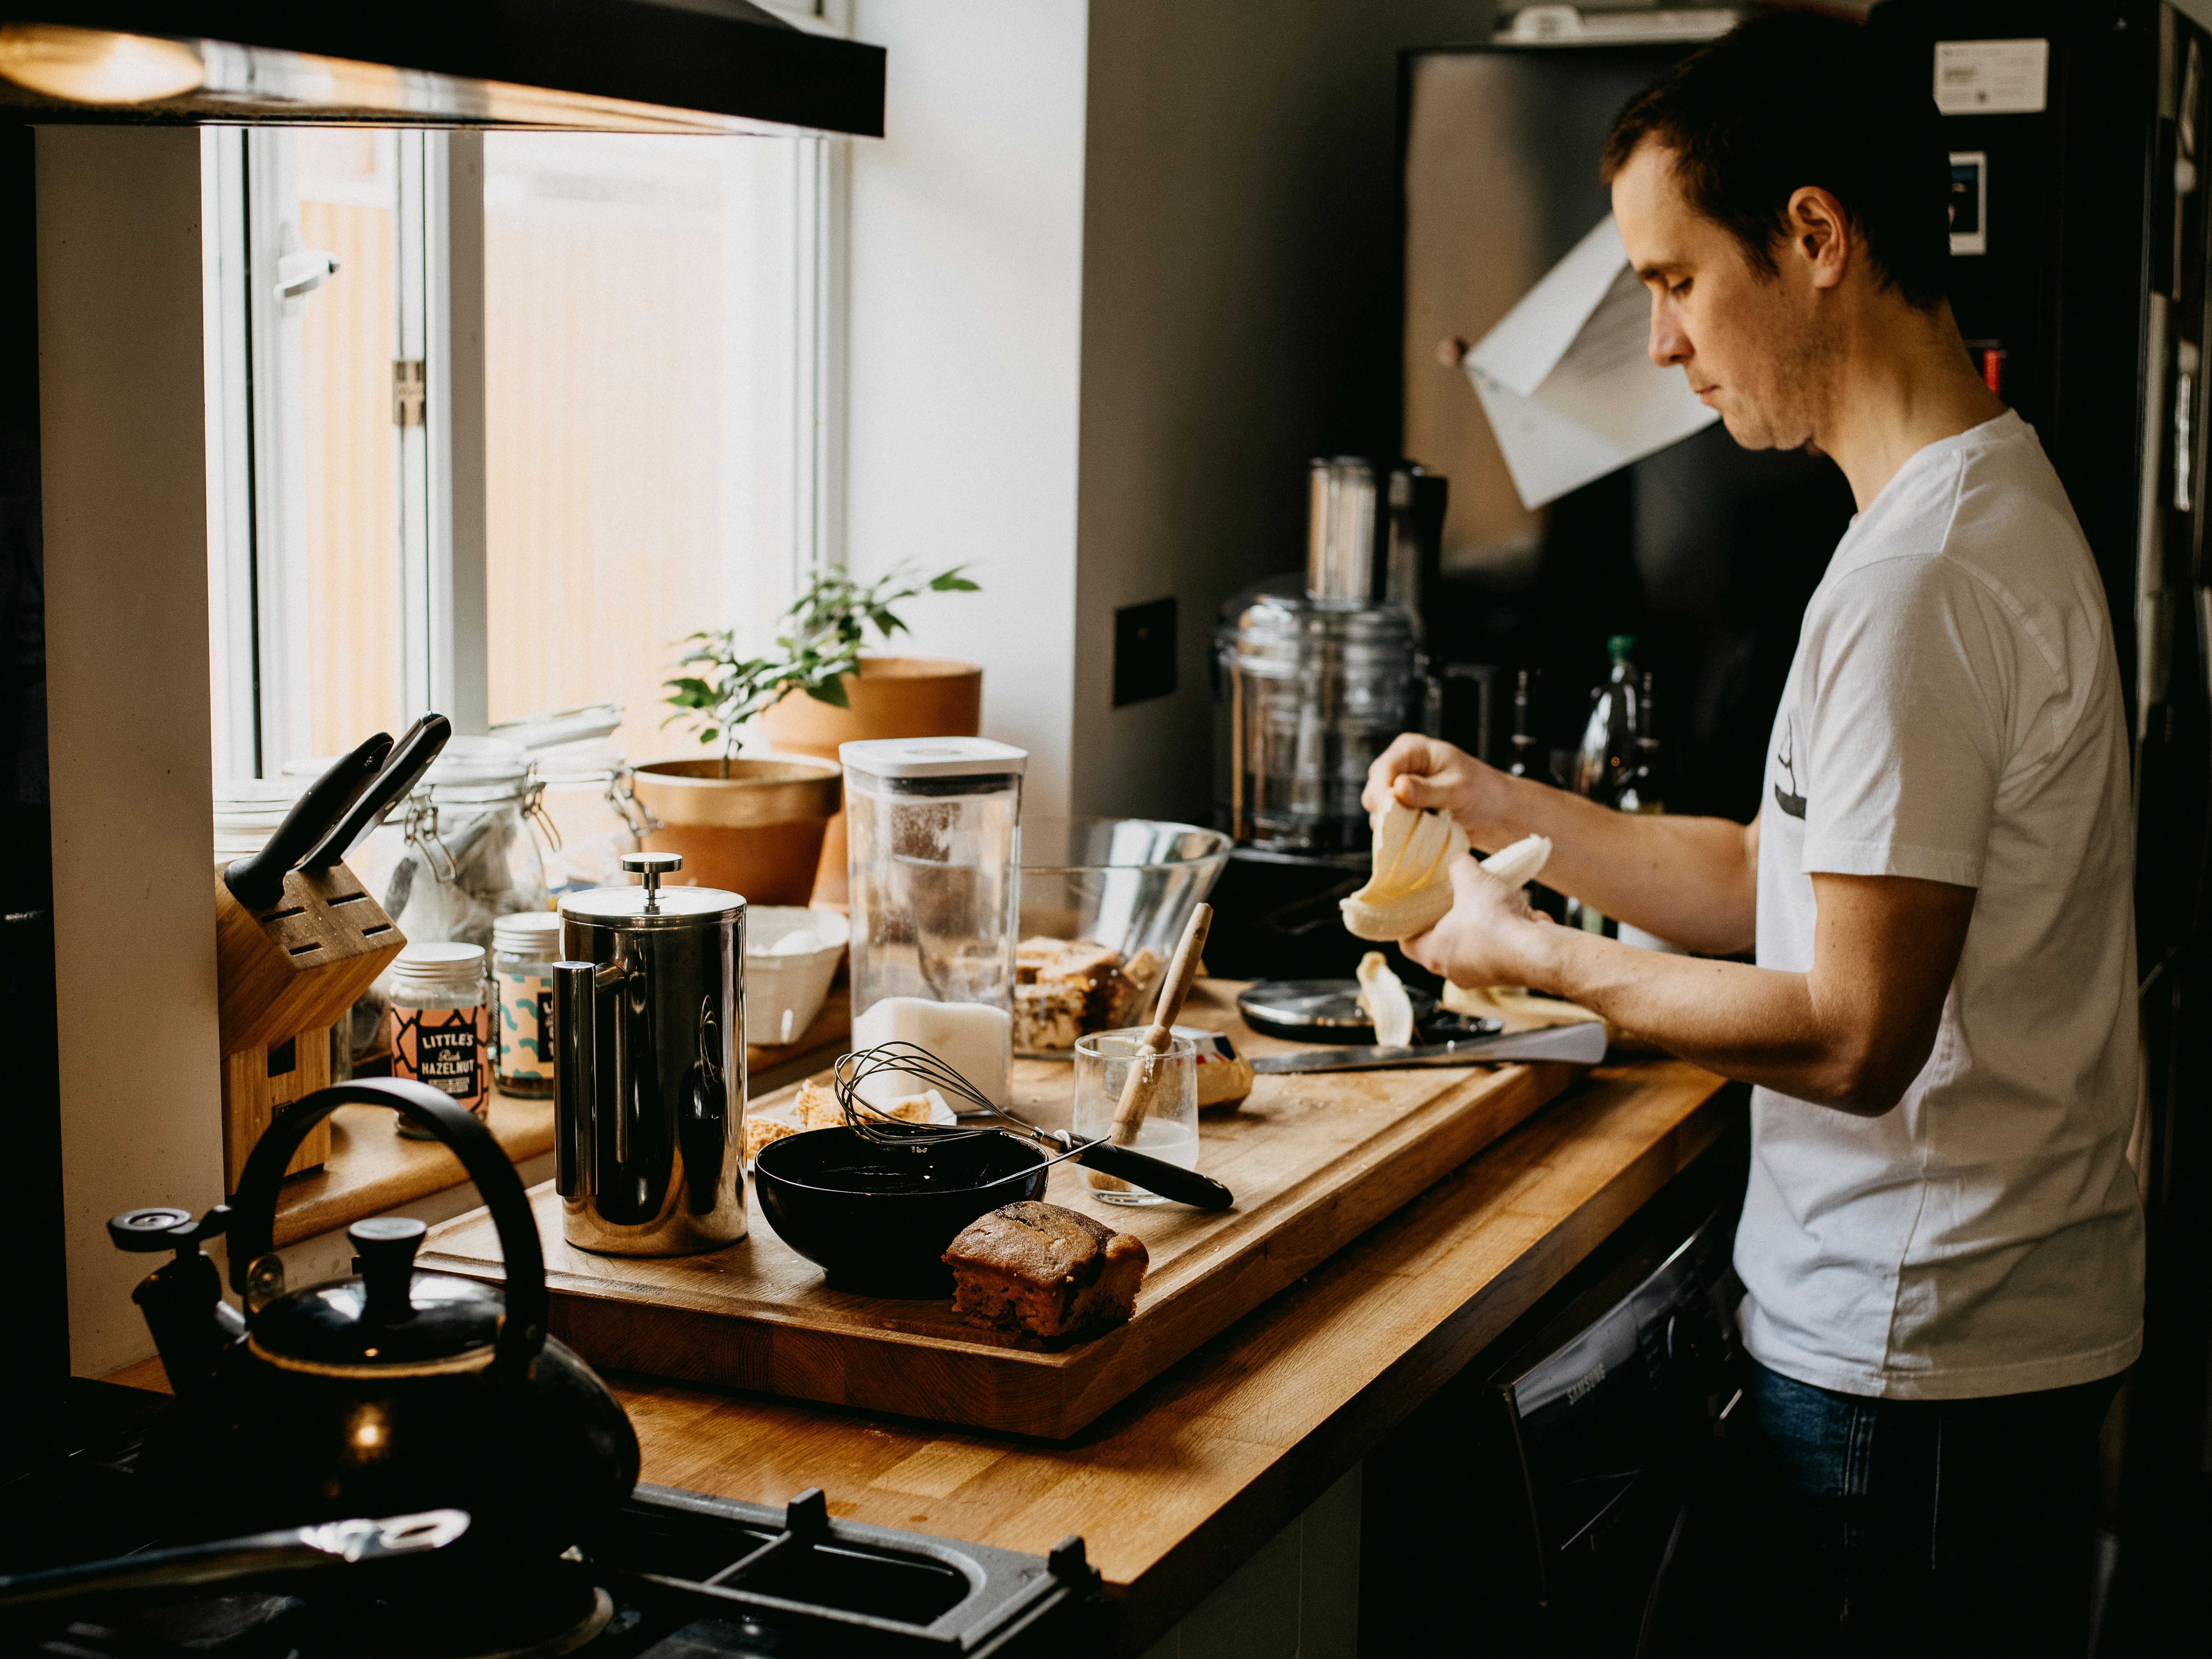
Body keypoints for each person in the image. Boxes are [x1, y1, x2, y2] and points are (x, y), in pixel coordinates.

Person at [1367, 15, 2142, 1656]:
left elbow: (1855, 1032)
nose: (1659, 344)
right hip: (1954, 1342)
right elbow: (1773, 876)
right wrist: (1510, 817)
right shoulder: (1969, 502)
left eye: (1671, 280)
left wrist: (1527, 957)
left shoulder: (1920, 582)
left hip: (1912, 1364)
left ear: (1814, 237)